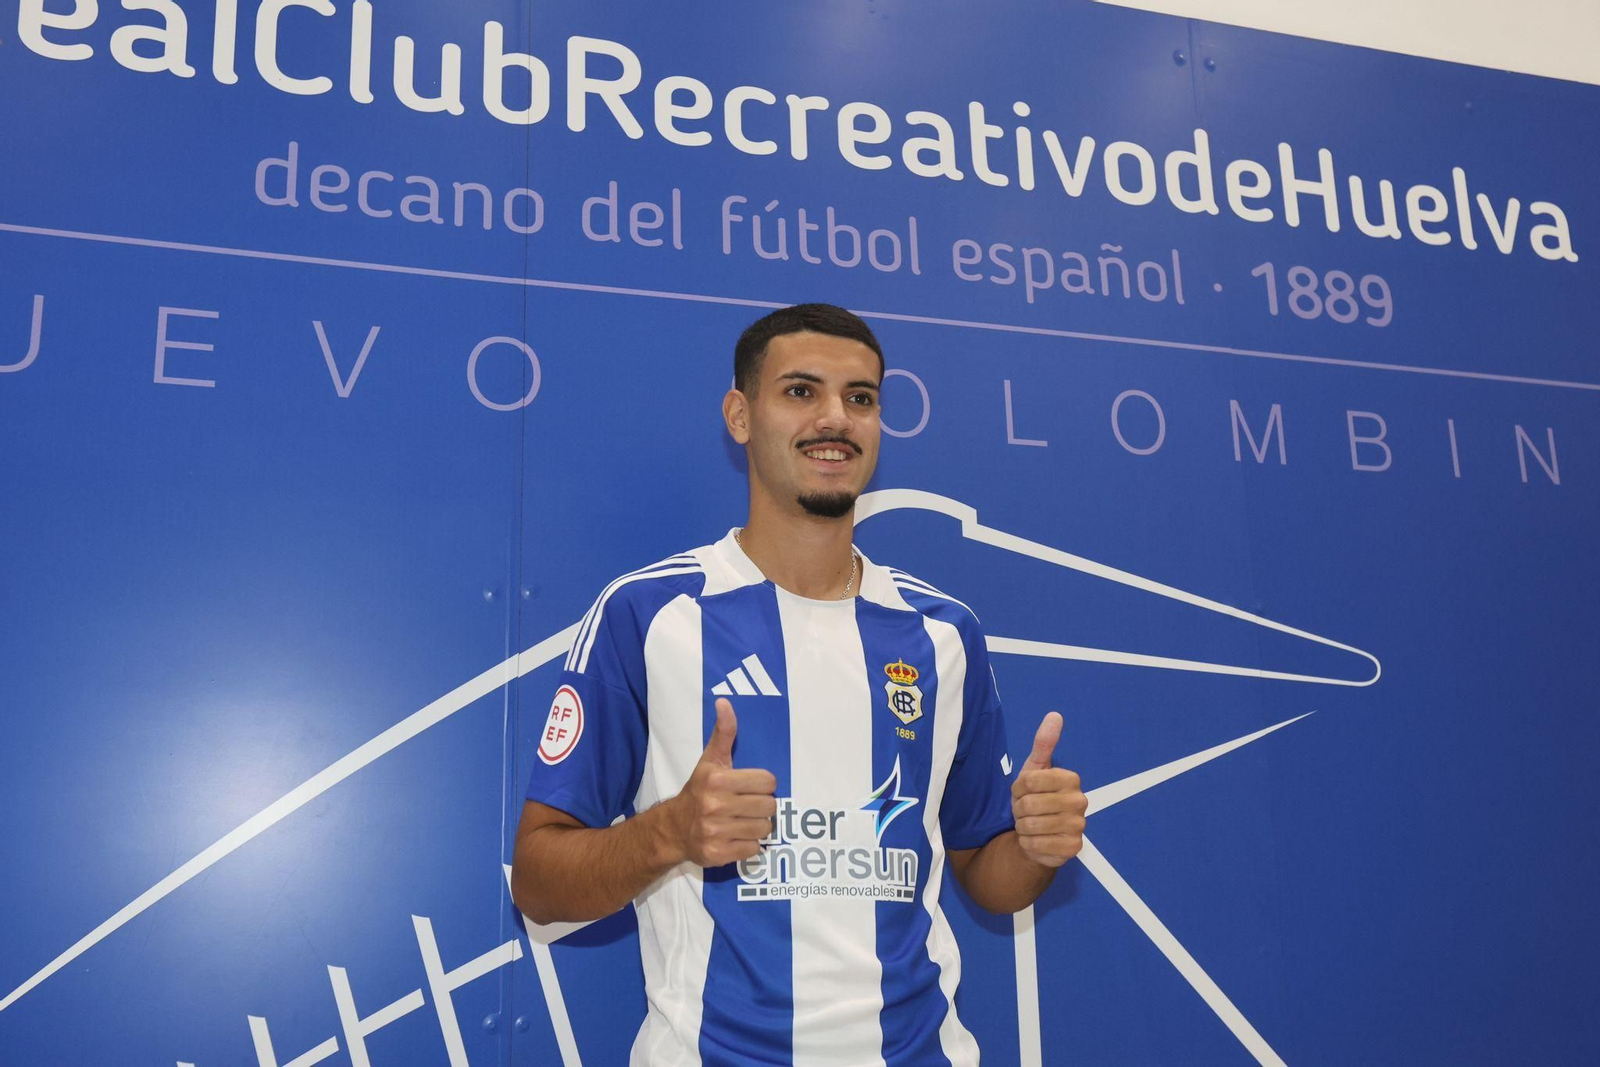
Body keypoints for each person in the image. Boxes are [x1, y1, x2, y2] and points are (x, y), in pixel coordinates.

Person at [510, 303, 1087, 1065]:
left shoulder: (944, 632)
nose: (835, 419)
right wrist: (669, 833)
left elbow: (988, 871)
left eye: (861, 398)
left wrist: (1038, 848)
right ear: (740, 416)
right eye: (800, 391)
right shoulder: (649, 615)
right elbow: (539, 882)